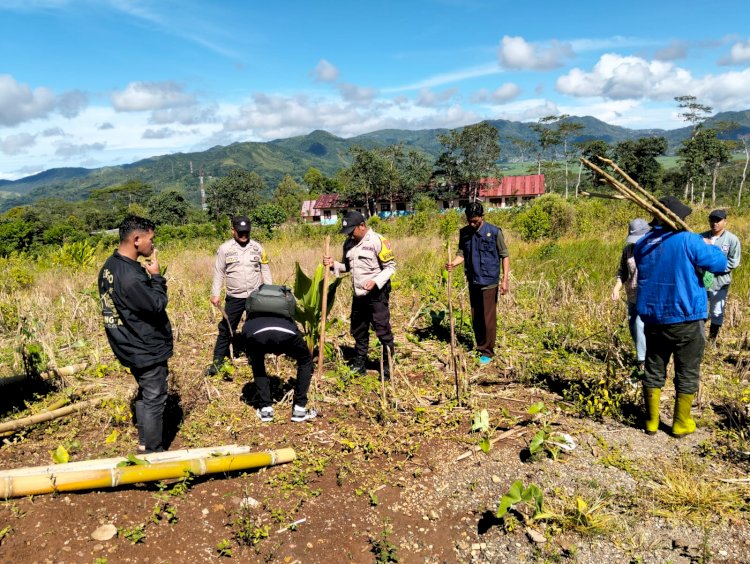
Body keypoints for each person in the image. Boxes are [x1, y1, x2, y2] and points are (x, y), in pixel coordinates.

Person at [634, 196, 727, 438]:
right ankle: (680, 423)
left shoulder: (644, 243)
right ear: (677, 219)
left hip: (654, 318)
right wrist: (709, 244)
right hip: (686, 317)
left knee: (654, 368)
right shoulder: (690, 240)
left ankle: (651, 421)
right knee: (687, 371)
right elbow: (719, 263)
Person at [98, 215, 173, 453]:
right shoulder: (130, 277)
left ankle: (144, 442)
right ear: (137, 239)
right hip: (144, 346)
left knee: (145, 392)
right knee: (154, 397)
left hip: (126, 343)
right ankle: (153, 452)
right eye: (151, 239)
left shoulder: (110, 266)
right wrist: (157, 278)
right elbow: (156, 304)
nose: (153, 244)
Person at [322, 210, 396, 377]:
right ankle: (360, 362)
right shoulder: (348, 244)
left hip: (377, 294)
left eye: (351, 231)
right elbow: (346, 267)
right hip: (358, 294)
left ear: (362, 226)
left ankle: (387, 365)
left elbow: (391, 267)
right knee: (359, 329)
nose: (349, 235)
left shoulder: (378, 241)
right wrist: (333, 264)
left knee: (382, 328)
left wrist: (376, 281)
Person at [446, 201, 510, 365]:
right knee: (476, 316)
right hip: (473, 279)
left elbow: (504, 255)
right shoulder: (465, 233)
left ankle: (487, 351)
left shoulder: (494, 232)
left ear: (482, 217)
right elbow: (462, 254)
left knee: (488, 317)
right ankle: (480, 345)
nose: (472, 223)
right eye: (469, 220)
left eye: (475, 220)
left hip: (489, 280)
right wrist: (453, 263)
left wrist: (505, 280)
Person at [207, 215, 272, 375]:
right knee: (226, 329)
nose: (244, 235)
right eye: (240, 232)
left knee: (255, 329)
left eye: (246, 232)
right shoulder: (224, 249)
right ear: (233, 231)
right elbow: (219, 272)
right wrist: (215, 294)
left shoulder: (258, 247)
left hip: (254, 297)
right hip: (234, 297)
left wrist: (270, 291)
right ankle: (217, 363)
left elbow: (265, 269)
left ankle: (255, 358)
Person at [242, 307, 317, 423]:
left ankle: (266, 409)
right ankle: (299, 409)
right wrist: (282, 348)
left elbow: (245, 336)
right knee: (305, 360)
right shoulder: (285, 311)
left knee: (257, 363)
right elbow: (294, 329)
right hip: (286, 334)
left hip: (257, 335)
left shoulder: (250, 316)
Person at [611, 218, 650, 371]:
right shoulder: (628, 250)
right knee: (633, 326)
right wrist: (616, 288)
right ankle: (642, 354)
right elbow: (623, 272)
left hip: (647, 295)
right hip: (631, 295)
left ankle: (642, 361)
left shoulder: (652, 249)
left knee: (640, 325)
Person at [700, 209, 741, 343]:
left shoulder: (732, 239)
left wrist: (716, 268)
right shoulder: (701, 237)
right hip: (700, 281)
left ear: (725, 222)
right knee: (699, 309)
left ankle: (712, 341)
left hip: (720, 281)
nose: (715, 223)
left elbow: (734, 261)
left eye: (718, 220)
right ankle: (699, 339)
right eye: (712, 220)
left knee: (717, 311)